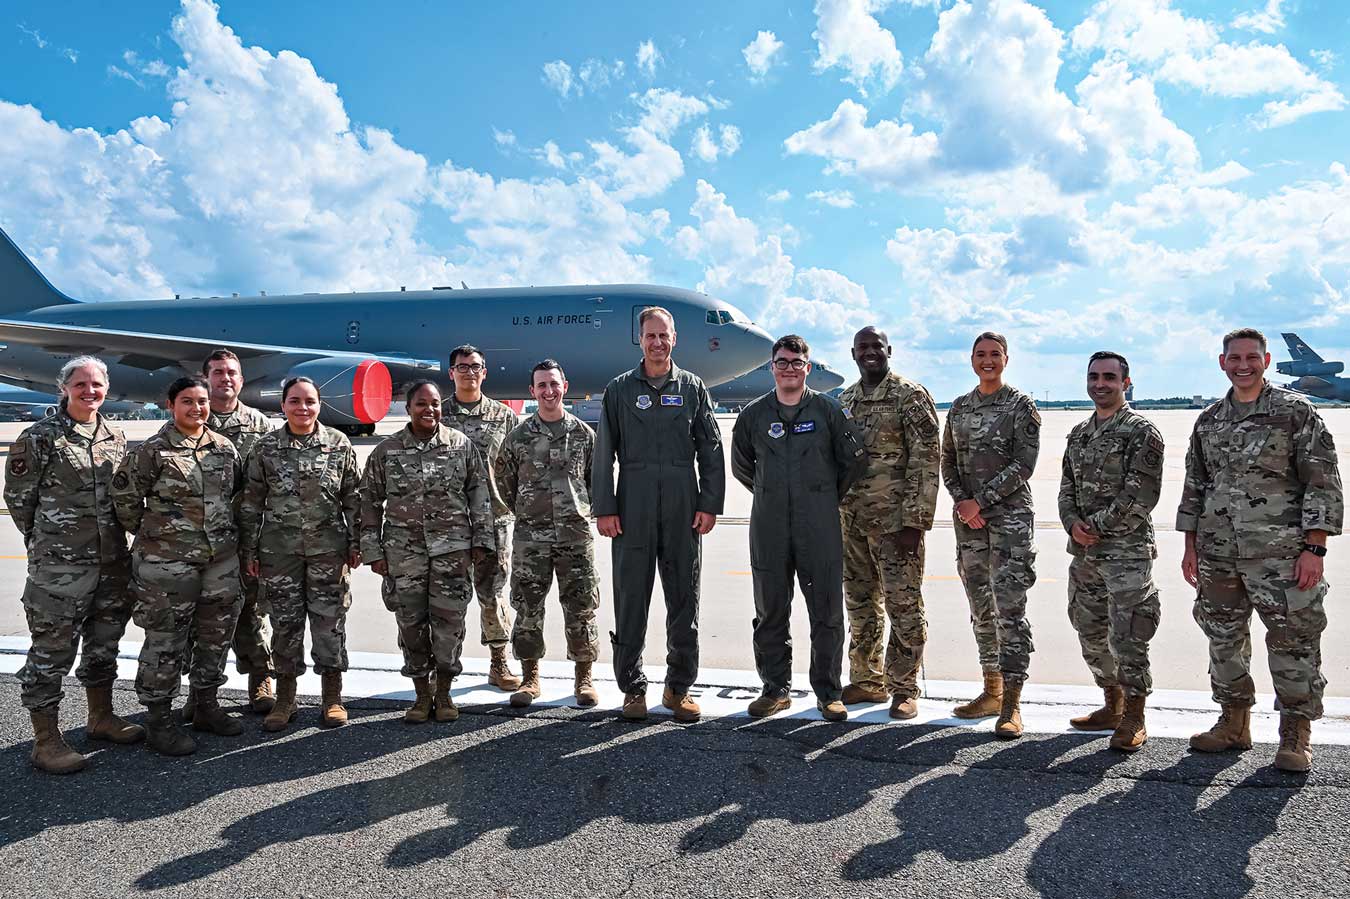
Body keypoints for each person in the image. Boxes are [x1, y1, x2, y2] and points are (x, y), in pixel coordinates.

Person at [1178, 327, 1342, 772]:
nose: (1243, 365)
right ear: (1222, 363)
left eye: (1252, 357)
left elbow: (1322, 481)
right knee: (1224, 640)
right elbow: (1195, 486)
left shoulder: (1295, 413)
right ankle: (1233, 722)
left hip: (1283, 556)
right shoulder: (1209, 420)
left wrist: (1316, 548)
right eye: (1235, 358)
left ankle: (1295, 733)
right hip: (1218, 554)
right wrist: (1191, 545)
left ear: (1265, 362)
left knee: (1294, 643)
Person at [5, 357, 142, 774]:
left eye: (97, 384)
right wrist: (47, 544)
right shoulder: (40, 437)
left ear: (107, 388)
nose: (89, 391)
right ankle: (45, 740)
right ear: (64, 388)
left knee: (104, 645)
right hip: (60, 568)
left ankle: (100, 717)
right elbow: (19, 500)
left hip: (111, 563)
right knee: (51, 652)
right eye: (80, 384)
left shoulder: (114, 435)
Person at [593, 306, 725, 722]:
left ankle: (678, 687)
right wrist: (606, 507)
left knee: (684, 597)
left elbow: (711, 449)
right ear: (640, 339)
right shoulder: (618, 390)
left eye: (664, 335)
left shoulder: (692, 387)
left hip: (683, 504)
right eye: (650, 335)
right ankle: (632, 689)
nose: (657, 342)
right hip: (633, 504)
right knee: (631, 597)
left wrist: (708, 503)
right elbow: (603, 454)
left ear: (674, 339)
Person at [731, 336, 866, 721]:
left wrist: (821, 496)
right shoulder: (753, 416)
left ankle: (828, 691)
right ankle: (775, 689)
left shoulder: (829, 411)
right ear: (771, 367)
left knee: (825, 611)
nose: (789, 368)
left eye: (797, 362)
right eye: (782, 361)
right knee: (770, 610)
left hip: (818, 523)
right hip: (769, 524)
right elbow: (742, 466)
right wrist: (771, 493)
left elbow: (852, 461)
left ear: (808, 367)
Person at [112, 376, 245, 756]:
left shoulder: (224, 448)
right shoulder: (151, 451)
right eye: (187, 401)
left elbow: (233, 497)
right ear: (171, 405)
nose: (197, 408)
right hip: (167, 567)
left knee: (216, 637)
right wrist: (155, 537)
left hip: (218, 561)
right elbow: (125, 499)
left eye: (202, 401)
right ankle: (159, 720)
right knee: (165, 642)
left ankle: (205, 705)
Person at [360, 380, 495, 723]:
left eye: (434, 404)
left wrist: (481, 542)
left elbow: (479, 496)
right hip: (404, 556)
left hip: (452, 552)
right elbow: (370, 503)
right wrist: (372, 551)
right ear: (408, 408)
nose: (429, 410)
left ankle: (445, 692)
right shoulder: (386, 451)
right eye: (421, 404)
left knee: (449, 624)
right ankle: (422, 695)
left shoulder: (460, 446)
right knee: (412, 625)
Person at [240, 377, 362, 732]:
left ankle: (332, 698)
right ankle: (285, 699)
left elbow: (353, 498)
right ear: (283, 406)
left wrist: (356, 542)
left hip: (328, 552)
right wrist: (249, 548)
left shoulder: (338, 444)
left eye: (310, 401)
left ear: (319, 405)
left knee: (329, 625)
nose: (302, 408)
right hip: (280, 554)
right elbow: (251, 503)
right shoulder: (265, 448)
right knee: (285, 627)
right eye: (295, 401)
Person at [1058, 352, 1164, 752]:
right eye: (1094, 377)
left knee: (1129, 635)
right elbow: (1066, 489)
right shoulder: (1078, 434)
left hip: (1126, 553)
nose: (1100, 384)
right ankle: (1112, 702)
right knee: (1089, 629)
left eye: (1108, 377)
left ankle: (1135, 714)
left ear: (1125, 381)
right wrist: (1072, 523)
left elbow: (1141, 495)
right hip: (1084, 555)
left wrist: (1096, 527)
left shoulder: (1141, 431)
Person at [837, 326, 940, 719]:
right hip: (852, 522)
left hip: (897, 524)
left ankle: (904, 687)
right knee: (861, 603)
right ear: (853, 353)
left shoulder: (908, 396)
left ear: (889, 350)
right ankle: (867, 680)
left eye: (876, 346)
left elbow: (927, 461)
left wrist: (915, 522)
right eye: (863, 347)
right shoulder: (846, 400)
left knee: (903, 604)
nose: (870, 353)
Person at [941, 331, 1040, 738]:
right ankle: (991, 690)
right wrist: (964, 501)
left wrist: (979, 501)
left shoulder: (1021, 406)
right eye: (981, 355)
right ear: (971, 359)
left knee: (1009, 609)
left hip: (1009, 521)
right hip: (969, 523)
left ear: (1006, 358)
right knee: (981, 606)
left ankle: (1013, 703)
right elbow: (947, 459)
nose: (987, 361)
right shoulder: (960, 407)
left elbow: (1024, 464)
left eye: (994, 354)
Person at [494, 360, 601, 708]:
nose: (549, 391)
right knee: (527, 608)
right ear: (532, 391)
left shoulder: (584, 434)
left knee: (582, 608)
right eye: (542, 385)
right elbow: (503, 482)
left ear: (564, 387)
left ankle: (584, 678)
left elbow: (595, 482)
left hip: (575, 537)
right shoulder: (518, 438)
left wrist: (582, 510)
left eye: (554, 384)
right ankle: (530, 678)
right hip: (531, 539)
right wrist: (527, 512)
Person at [441, 344, 522, 692]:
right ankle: (444, 666)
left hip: (494, 520)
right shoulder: (438, 414)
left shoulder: (504, 417)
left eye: (475, 367)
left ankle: (499, 661)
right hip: (450, 522)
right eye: (462, 367)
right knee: (449, 596)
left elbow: (520, 466)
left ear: (484, 372)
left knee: (493, 593)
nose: (469, 372)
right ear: (451, 373)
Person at [201, 349, 276, 716]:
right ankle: (202, 692)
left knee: (253, 610)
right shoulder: (193, 418)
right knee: (204, 615)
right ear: (207, 378)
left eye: (232, 372)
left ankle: (260, 677)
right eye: (217, 372)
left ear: (241, 380)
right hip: (201, 538)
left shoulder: (260, 426)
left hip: (248, 535)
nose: (225, 378)